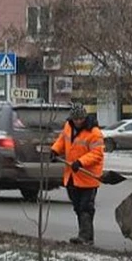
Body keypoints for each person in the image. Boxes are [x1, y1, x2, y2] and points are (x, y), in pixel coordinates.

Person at [51, 103, 104, 246]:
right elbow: (62, 140)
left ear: (84, 117)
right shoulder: (68, 127)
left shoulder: (94, 133)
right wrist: (55, 150)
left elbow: (97, 154)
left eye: (80, 119)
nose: (78, 122)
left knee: (86, 207)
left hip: (88, 177)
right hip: (72, 176)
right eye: (75, 119)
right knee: (77, 207)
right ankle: (84, 234)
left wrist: (80, 162)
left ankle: (86, 237)